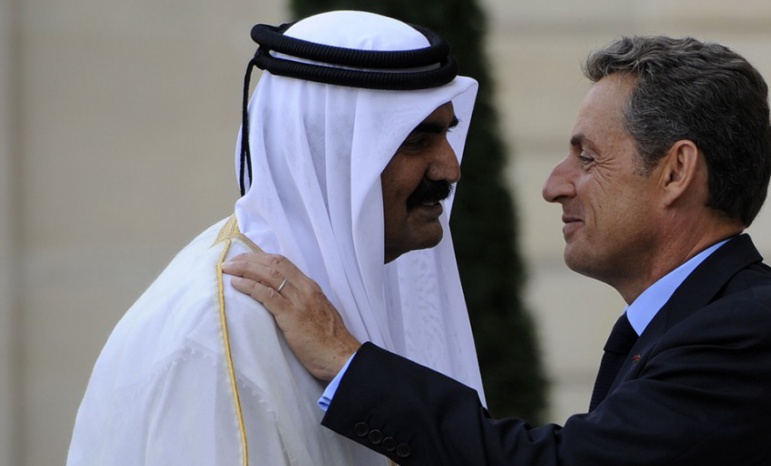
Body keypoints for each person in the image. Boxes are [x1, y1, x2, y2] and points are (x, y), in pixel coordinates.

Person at [224, 36, 771, 465]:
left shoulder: (743, 333)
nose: (555, 185)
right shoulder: (706, 317)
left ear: (675, 172)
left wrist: (347, 361)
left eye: (588, 157)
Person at [66, 10, 486, 465]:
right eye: (417, 141)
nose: (450, 169)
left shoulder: (344, 293)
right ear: (331, 152)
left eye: (446, 135)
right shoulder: (224, 335)